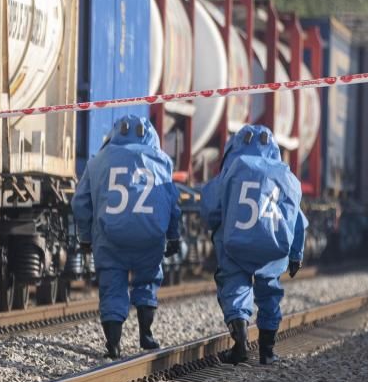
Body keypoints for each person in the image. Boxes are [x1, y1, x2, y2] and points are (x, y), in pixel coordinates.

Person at [72, 114, 182, 359]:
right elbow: (173, 202)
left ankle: (113, 344)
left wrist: (85, 236)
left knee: (112, 286)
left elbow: (80, 203)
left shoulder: (97, 161)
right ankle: (146, 334)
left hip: (111, 238)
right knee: (147, 280)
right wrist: (173, 236)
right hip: (150, 238)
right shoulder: (162, 161)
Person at [201, 124, 307, 365]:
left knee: (235, 287)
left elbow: (210, 209)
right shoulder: (286, 175)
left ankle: (239, 343)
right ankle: (267, 352)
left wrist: (217, 227)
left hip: (235, 246)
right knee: (269, 293)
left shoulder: (231, 170)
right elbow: (297, 220)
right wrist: (295, 255)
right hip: (273, 249)